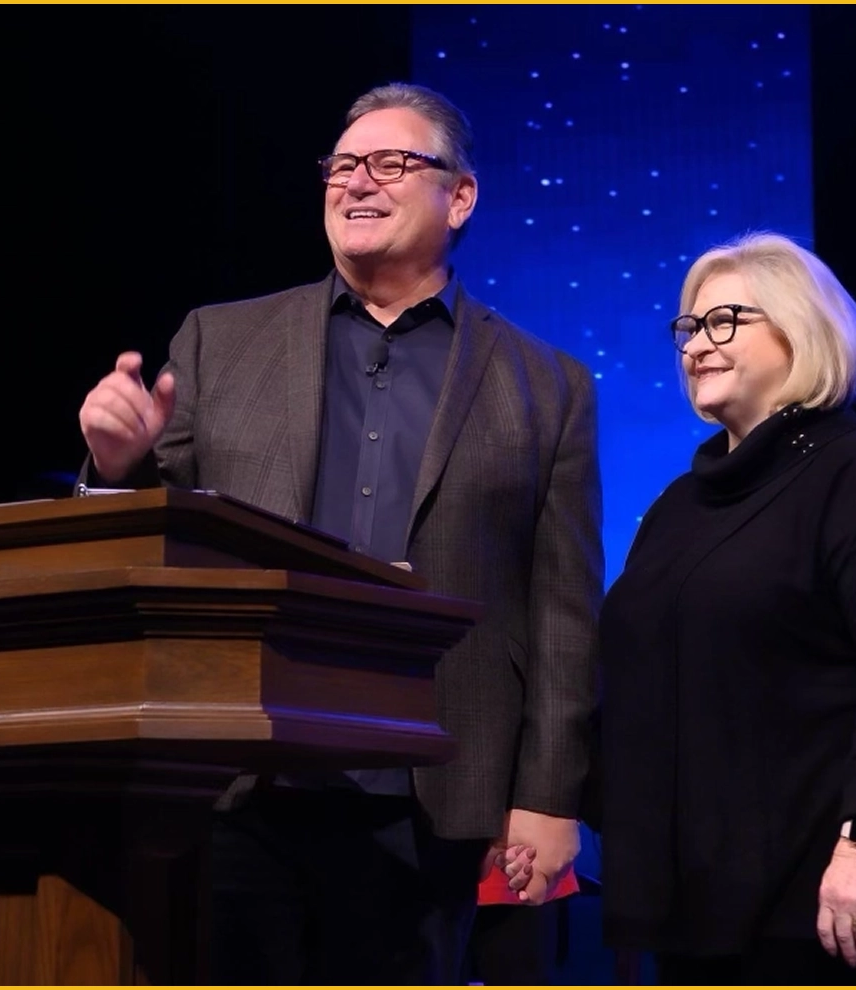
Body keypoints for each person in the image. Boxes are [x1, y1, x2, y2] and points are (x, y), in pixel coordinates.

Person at [76, 82, 602, 984]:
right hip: (243, 774)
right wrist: (116, 469)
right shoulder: (219, 341)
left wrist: (549, 798)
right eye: (343, 166)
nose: (358, 182)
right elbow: (150, 547)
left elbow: (563, 614)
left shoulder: (546, 386)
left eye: (391, 163)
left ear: (460, 196)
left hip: (432, 790)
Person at [593, 232, 856, 984]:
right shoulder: (680, 506)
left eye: (724, 321)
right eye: (689, 328)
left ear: (799, 328)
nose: (697, 345)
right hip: (699, 910)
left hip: (832, 906)